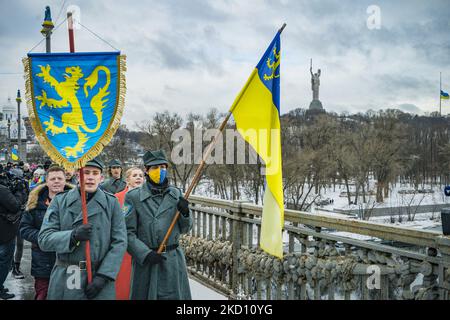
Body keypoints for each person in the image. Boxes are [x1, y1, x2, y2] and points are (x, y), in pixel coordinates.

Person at [38, 157, 127, 300]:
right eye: (86, 172)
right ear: (77, 175)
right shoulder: (60, 201)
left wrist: (104, 276)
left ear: (101, 177)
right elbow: (44, 239)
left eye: (95, 173)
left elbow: (120, 242)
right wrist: (72, 236)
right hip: (69, 274)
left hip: (99, 275)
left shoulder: (112, 203)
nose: (90, 177)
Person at [124, 150, 192, 300]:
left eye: (163, 167)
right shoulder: (133, 197)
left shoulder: (176, 194)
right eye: (154, 168)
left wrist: (185, 213)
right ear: (146, 171)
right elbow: (127, 233)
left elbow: (186, 228)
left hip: (172, 261)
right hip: (147, 262)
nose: (159, 171)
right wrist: (144, 253)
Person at [20, 166, 73, 300]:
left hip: (71, 259)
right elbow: (24, 229)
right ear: (47, 181)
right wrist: (46, 238)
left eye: (59, 178)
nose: (56, 181)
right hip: (43, 260)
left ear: (65, 180)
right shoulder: (34, 202)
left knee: (72, 293)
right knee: (43, 294)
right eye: (52, 178)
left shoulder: (76, 201)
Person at [115, 167, 144, 300]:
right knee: (125, 280)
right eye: (135, 175)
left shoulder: (147, 197)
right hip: (125, 245)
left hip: (144, 244)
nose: (138, 178)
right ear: (127, 180)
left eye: (140, 175)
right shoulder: (118, 198)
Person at [0, 167, 27, 299]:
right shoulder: (2, 189)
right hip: (4, 233)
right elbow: (16, 205)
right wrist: (19, 191)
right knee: (4, 261)